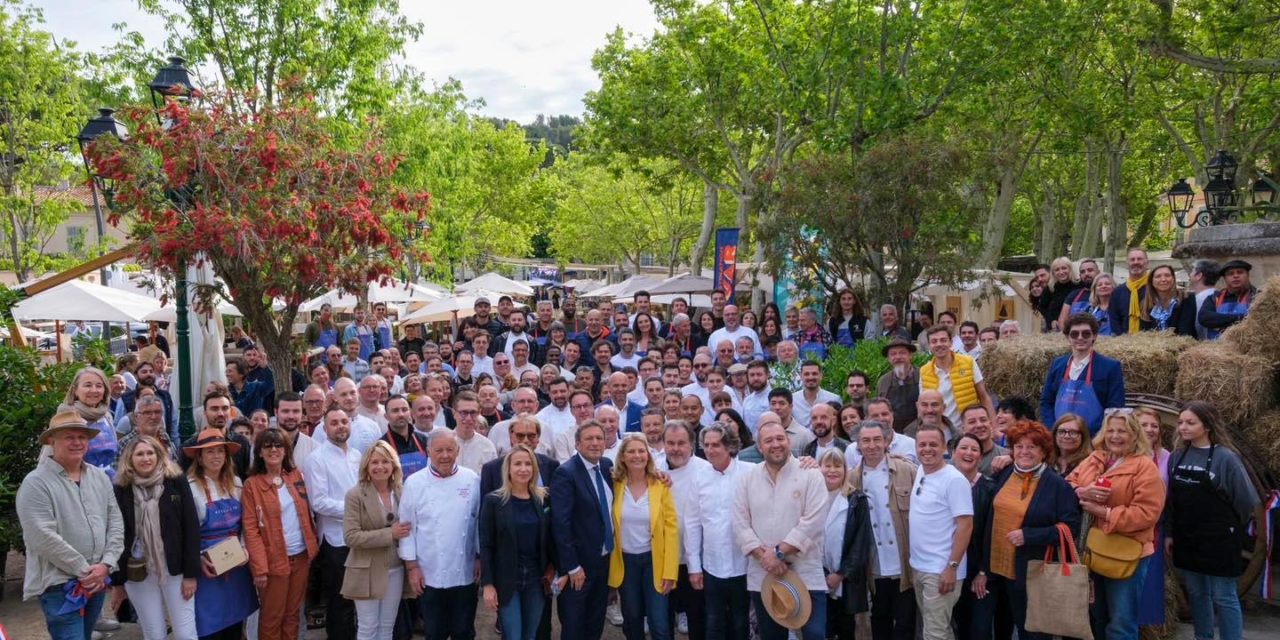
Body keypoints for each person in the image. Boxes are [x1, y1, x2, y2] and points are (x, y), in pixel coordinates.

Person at [18, 410, 126, 640]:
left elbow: (115, 521)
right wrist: (86, 570)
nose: (77, 442)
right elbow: (42, 536)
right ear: (51, 441)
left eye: (82, 437)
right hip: (60, 586)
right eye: (69, 437)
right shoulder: (35, 483)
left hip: (96, 580)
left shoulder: (98, 477)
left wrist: (106, 564)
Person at [1067, 410, 1165, 640]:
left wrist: (1106, 513)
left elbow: (1148, 513)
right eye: (1110, 430)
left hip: (1126, 552)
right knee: (1096, 615)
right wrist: (1082, 491)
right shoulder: (1096, 458)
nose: (1115, 436)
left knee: (1121, 621)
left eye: (1122, 431)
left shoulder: (1144, 466)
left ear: (1134, 435)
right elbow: (1068, 483)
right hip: (1092, 548)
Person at [1167, 401, 1259, 640]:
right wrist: (1170, 533)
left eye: (1190, 423)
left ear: (1207, 425)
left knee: (1224, 596)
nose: (1183, 428)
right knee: (1197, 593)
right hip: (1188, 537)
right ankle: (1203, 636)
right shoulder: (1177, 456)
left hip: (1219, 538)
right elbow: (1171, 501)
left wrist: (1224, 527)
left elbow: (1246, 501)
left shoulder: (1225, 458)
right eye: (1180, 423)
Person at [983, 421, 1080, 640]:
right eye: (1019, 446)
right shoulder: (1006, 473)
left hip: (1032, 572)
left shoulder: (1057, 485)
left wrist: (1029, 535)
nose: (1024, 452)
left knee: (1032, 632)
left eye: (1032, 447)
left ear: (1044, 451)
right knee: (1002, 628)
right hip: (998, 569)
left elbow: (1070, 528)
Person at [733, 421, 829, 640]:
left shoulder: (811, 474)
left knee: (814, 635)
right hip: (765, 575)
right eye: (768, 440)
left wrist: (778, 552)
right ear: (759, 447)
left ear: (789, 441)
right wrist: (765, 557)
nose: (776, 444)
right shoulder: (747, 478)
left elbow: (813, 521)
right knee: (771, 636)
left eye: (780, 438)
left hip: (805, 572)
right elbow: (740, 523)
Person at [111, 436, 201, 640]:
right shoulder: (121, 488)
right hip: (138, 571)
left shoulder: (175, 481)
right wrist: (117, 583)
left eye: (150, 452)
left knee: (186, 633)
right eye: (139, 454)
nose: (145, 458)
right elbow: (117, 535)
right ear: (130, 458)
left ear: (159, 455)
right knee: (154, 633)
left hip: (175, 569)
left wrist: (190, 574)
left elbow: (191, 527)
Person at [399, 430, 482, 640]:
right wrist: (412, 567)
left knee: (464, 631)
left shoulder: (471, 479)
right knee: (434, 632)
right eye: (439, 450)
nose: (444, 455)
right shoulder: (414, 483)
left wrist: (479, 558)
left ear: (457, 451)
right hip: (429, 572)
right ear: (428, 452)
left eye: (449, 450)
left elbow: (478, 522)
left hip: (464, 570)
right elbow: (406, 529)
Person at [242, 429, 319, 640]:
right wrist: (259, 569)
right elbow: (251, 530)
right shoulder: (252, 485)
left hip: (301, 557)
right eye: (267, 446)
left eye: (279, 445)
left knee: (293, 615)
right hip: (273, 561)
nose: (274, 450)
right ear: (259, 452)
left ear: (286, 451)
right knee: (271, 618)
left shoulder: (296, 476)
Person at [480, 445, 561, 640]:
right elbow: (486, 545)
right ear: (508, 468)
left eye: (528, 464)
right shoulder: (494, 501)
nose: (523, 469)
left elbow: (551, 539)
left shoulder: (543, 498)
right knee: (513, 635)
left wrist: (554, 569)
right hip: (507, 579)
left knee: (530, 634)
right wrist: (488, 585)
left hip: (536, 578)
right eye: (517, 464)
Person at [184, 428, 257, 640]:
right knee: (209, 627)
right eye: (210, 452)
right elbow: (186, 532)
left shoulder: (236, 483)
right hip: (207, 567)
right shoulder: (189, 487)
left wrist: (244, 548)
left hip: (236, 565)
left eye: (220, 451)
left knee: (235, 625)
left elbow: (246, 522)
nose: (216, 456)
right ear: (199, 457)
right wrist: (196, 558)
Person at [609, 435, 680, 640]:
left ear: (648, 456)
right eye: (631, 451)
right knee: (632, 620)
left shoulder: (659, 484)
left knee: (659, 622)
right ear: (622, 456)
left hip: (653, 562)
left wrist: (670, 571)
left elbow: (671, 529)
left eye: (641, 451)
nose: (637, 455)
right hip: (626, 562)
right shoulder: (615, 484)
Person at [908, 424, 973, 640]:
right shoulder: (920, 470)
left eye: (933, 444)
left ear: (945, 446)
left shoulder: (954, 480)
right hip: (920, 566)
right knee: (937, 629)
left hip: (940, 570)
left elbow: (965, 525)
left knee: (934, 633)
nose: (927, 449)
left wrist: (951, 567)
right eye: (922, 444)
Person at [551, 420, 615, 640]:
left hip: (604, 560)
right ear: (577, 444)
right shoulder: (566, 473)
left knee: (595, 621)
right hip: (579, 566)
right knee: (574, 625)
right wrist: (572, 566)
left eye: (599, 438)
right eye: (589, 438)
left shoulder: (607, 466)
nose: (595, 443)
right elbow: (561, 524)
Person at [341, 441, 410, 640]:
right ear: (366, 467)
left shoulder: (402, 490)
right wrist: (390, 534)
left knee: (387, 628)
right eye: (374, 462)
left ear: (393, 465)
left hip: (395, 568)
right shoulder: (355, 495)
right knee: (368, 627)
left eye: (385, 462)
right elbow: (351, 536)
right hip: (366, 570)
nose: (380, 467)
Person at [304, 408, 363, 640]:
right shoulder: (316, 459)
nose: (341, 426)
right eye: (334, 423)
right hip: (335, 540)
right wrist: (357, 512)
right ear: (324, 428)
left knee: (360, 599)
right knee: (341, 600)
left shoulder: (357, 455)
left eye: (344, 422)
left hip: (361, 537)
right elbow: (319, 503)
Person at [693, 423, 752, 640]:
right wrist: (694, 566)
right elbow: (693, 524)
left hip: (743, 564)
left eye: (716, 445)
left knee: (740, 622)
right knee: (714, 622)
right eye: (706, 445)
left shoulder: (751, 473)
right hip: (712, 564)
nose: (710, 450)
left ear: (729, 446)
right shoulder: (699, 476)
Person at [949, 433, 1002, 640]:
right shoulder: (943, 484)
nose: (968, 453)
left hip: (981, 569)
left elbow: (994, 532)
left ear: (980, 458)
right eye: (963, 448)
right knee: (960, 625)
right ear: (953, 453)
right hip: (953, 568)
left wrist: (983, 571)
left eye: (974, 449)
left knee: (980, 629)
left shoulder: (990, 488)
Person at [1039, 313, 1126, 434]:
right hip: (1060, 438)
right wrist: (1053, 430)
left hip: (1093, 440)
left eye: (1086, 333)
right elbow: (1046, 402)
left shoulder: (1110, 367)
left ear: (1094, 336)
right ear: (1068, 337)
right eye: (1074, 334)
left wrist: (1099, 437)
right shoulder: (1057, 364)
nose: (1080, 338)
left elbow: (1115, 407)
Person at [821, 448, 871, 640]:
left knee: (845, 631)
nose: (832, 471)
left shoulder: (857, 500)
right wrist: (824, 574)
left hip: (846, 581)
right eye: (827, 465)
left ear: (845, 469)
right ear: (819, 468)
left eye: (837, 466)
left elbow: (861, 544)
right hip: (819, 577)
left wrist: (840, 574)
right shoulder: (811, 498)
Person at [919, 326, 994, 432]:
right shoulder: (924, 371)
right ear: (930, 345)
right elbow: (923, 406)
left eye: (943, 340)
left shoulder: (968, 362)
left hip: (968, 430)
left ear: (951, 342)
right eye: (934, 341)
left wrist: (994, 427)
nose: (939, 344)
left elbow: (984, 397)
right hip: (940, 431)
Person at [1135, 407, 1170, 629]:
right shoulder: (1125, 453)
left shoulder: (1166, 456)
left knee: (1148, 581)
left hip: (1155, 528)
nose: (1150, 429)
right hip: (1128, 527)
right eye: (1144, 424)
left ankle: (1144, 629)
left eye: (1154, 425)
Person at [1199, 259, 1257, 338]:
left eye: (1240, 272)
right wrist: (1240, 318)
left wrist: (1220, 320)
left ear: (1247, 275)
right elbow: (1204, 318)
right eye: (1230, 274)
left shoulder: (1257, 296)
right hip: (1216, 347)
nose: (1235, 276)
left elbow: (1258, 320)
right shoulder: (1214, 298)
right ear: (1225, 279)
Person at [1139, 265, 1196, 334]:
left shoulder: (1187, 298)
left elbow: (1185, 331)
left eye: (1167, 275)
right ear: (1151, 281)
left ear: (1173, 279)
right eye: (1158, 276)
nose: (1163, 279)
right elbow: (1145, 332)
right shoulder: (1146, 303)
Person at [876, 338, 919, 432]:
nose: (898, 357)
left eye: (902, 353)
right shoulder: (883, 381)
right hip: (892, 432)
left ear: (910, 355)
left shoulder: (923, 376)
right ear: (888, 359)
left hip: (919, 431)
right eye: (893, 354)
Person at [1037, 257, 1085, 332]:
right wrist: (1051, 320)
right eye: (1057, 270)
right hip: (1055, 329)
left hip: (1077, 326)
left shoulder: (1080, 285)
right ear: (1053, 273)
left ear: (1070, 269)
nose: (1061, 272)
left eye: (1064, 268)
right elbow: (1042, 307)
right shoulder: (1050, 288)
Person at [1110, 248, 1151, 335]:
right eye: (1132, 259)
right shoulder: (1117, 292)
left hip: (1152, 342)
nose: (1136, 262)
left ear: (1147, 263)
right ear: (1127, 264)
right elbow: (1114, 320)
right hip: (1124, 343)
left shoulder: (1154, 288)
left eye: (1139, 259)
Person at [793, 361, 840, 427]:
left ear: (821, 375)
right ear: (801, 376)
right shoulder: (793, 400)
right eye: (806, 374)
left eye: (814, 374)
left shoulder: (834, 399)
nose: (810, 377)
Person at [1188, 259, 1221, 340]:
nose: (1189, 275)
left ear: (1198, 275)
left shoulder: (1196, 300)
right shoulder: (1221, 296)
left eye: (1192, 271)